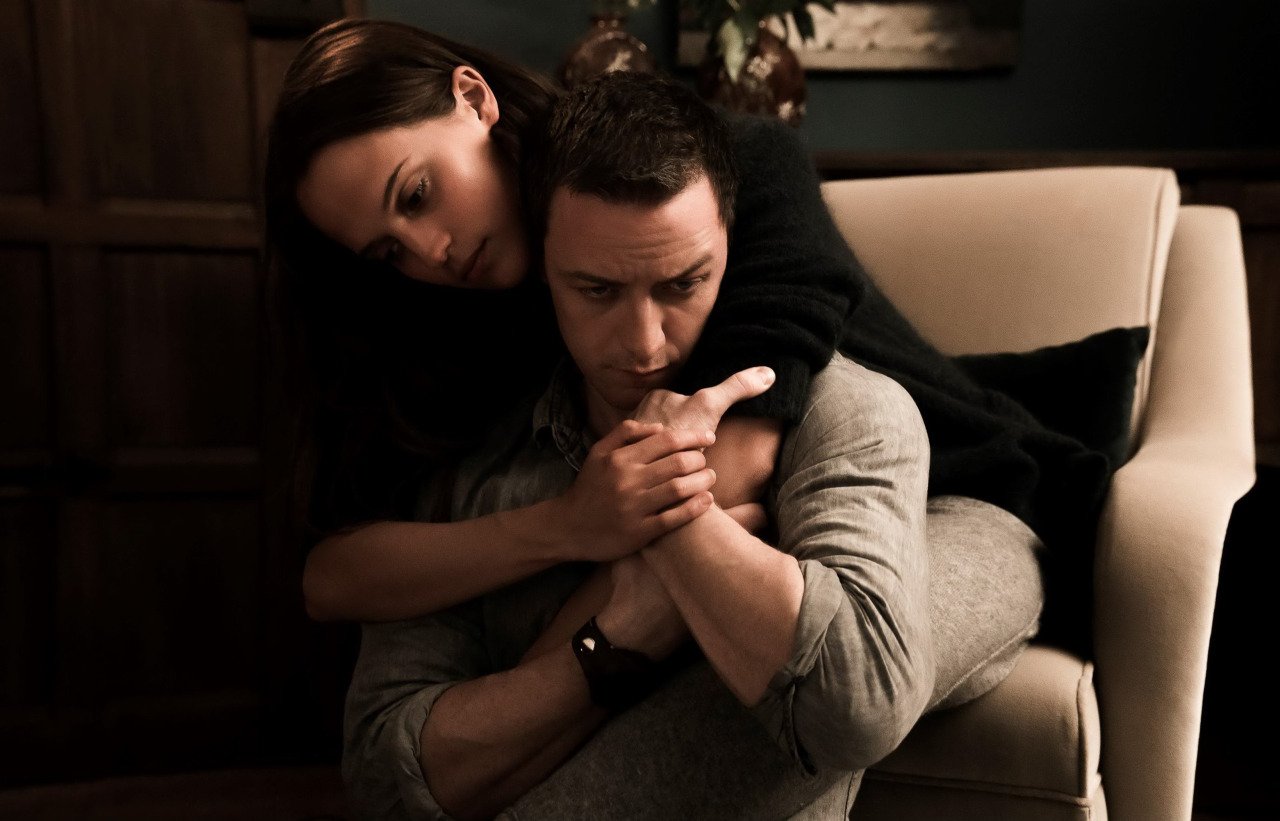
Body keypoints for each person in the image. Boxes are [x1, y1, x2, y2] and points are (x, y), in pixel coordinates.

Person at [339, 70, 1045, 820]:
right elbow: (384, 773)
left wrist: (670, 525)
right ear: (542, 269)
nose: (644, 343)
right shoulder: (471, 465)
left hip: (975, 498)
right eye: (597, 290)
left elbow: (851, 708)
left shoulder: (842, 407)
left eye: (683, 284)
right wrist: (622, 632)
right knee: (775, 662)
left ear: (731, 252)